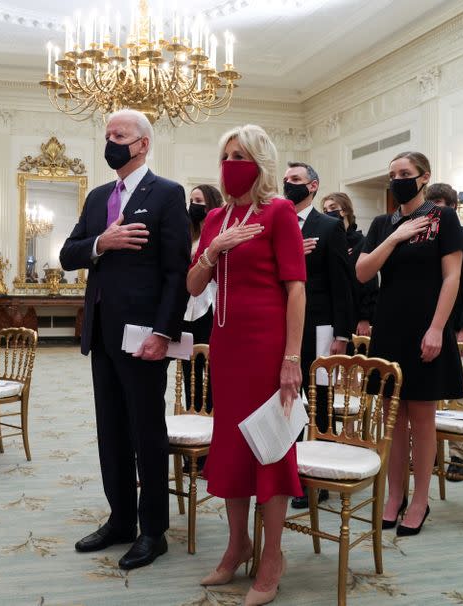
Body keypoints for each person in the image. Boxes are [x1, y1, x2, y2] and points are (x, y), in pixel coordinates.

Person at [60, 108, 190, 571]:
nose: (110, 140)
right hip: (101, 333)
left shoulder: (168, 195)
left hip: (143, 338)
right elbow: (68, 254)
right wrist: (102, 243)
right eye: (107, 133)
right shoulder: (98, 198)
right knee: (110, 430)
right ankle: (120, 519)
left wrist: (163, 332)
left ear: (143, 144)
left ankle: (153, 530)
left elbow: (177, 273)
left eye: (120, 134)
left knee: (146, 432)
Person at [187, 124, 304, 605]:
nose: (231, 163)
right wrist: (213, 251)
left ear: (260, 162)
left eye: (240, 155)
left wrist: (291, 358)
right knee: (232, 450)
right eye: (225, 155)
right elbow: (194, 286)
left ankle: (271, 557)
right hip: (226, 347)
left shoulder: (279, 214)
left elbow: (296, 288)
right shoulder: (214, 217)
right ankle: (238, 546)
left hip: (268, 347)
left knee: (270, 451)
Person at [356, 151, 463, 536]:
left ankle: (420, 499)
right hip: (389, 327)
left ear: (424, 177)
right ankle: (394, 494)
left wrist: (437, 328)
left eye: (406, 173)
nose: (398, 179)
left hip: (426, 326)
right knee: (393, 418)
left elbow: (452, 278)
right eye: (393, 174)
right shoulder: (383, 222)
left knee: (421, 417)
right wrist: (396, 236)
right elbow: (363, 270)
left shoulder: (443, 217)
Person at [283, 163, 354, 510]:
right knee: (287, 398)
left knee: (320, 399)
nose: (287, 183)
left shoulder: (328, 227)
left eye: (295, 180)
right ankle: (290, 472)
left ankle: (320, 478)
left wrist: (343, 333)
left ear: (312, 186)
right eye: (286, 179)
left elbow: (342, 282)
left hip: (321, 325)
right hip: (281, 323)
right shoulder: (278, 221)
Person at [426, 182, 463, 481]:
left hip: (454, 327)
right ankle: (428, 451)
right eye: (431, 205)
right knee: (426, 392)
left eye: (441, 205)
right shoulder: (422, 237)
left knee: (456, 392)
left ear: (451, 206)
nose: (436, 210)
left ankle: (457, 456)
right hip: (425, 325)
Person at [183, 184, 222, 416]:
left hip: (211, 305)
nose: (193, 206)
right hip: (186, 308)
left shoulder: (218, 232)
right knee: (190, 368)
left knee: (211, 367)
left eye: (199, 201)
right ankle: (192, 412)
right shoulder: (187, 233)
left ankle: (212, 416)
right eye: (191, 200)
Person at [321, 192, 379, 339]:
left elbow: (369, 282)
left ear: (345, 210)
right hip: (330, 312)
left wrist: (364, 317)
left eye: (332, 207)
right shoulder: (326, 240)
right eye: (325, 210)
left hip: (356, 313)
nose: (328, 212)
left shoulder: (361, 241)